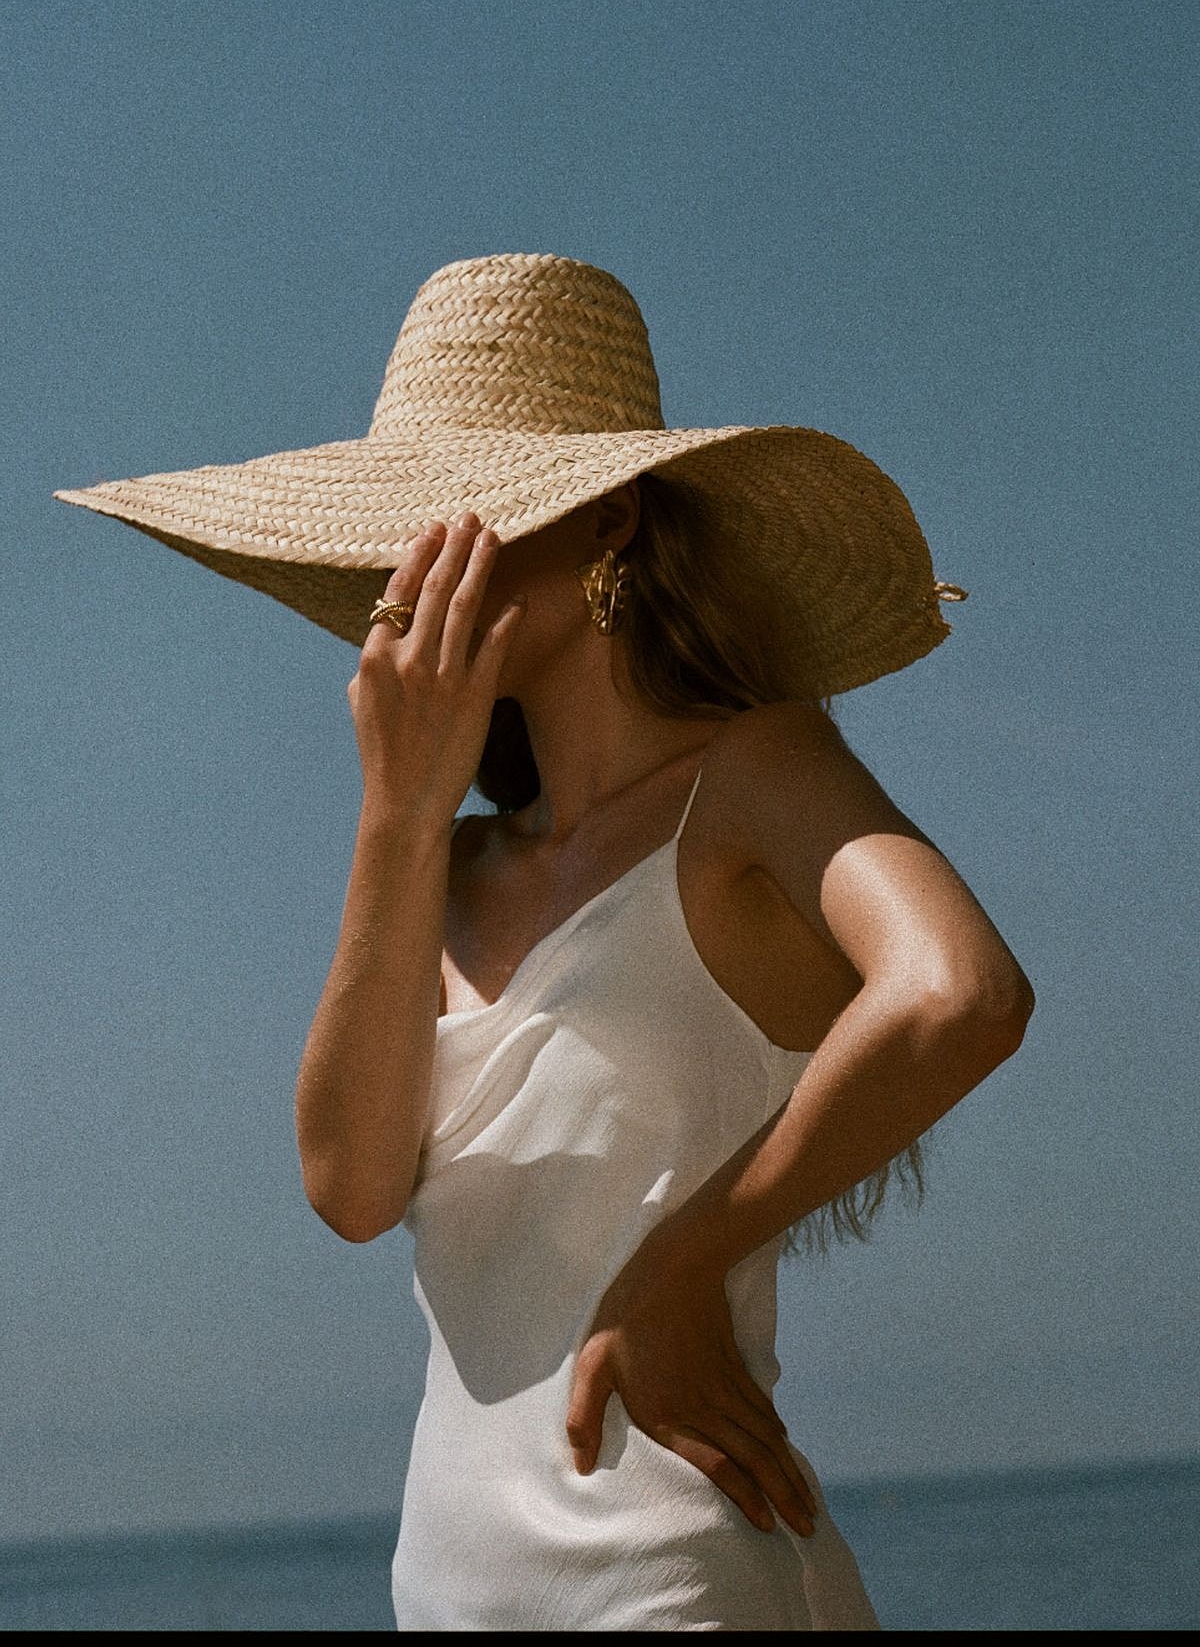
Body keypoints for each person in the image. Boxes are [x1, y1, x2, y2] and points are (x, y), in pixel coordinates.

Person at [55, 252, 1035, 1631]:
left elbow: (965, 994)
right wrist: (398, 812)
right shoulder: (441, 863)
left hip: (676, 1575)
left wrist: (682, 1262)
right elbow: (348, 1189)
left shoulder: (754, 771)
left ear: (612, 522)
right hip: (449, 1590)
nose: (418, 566)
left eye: (465, 514)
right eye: (402, 529)